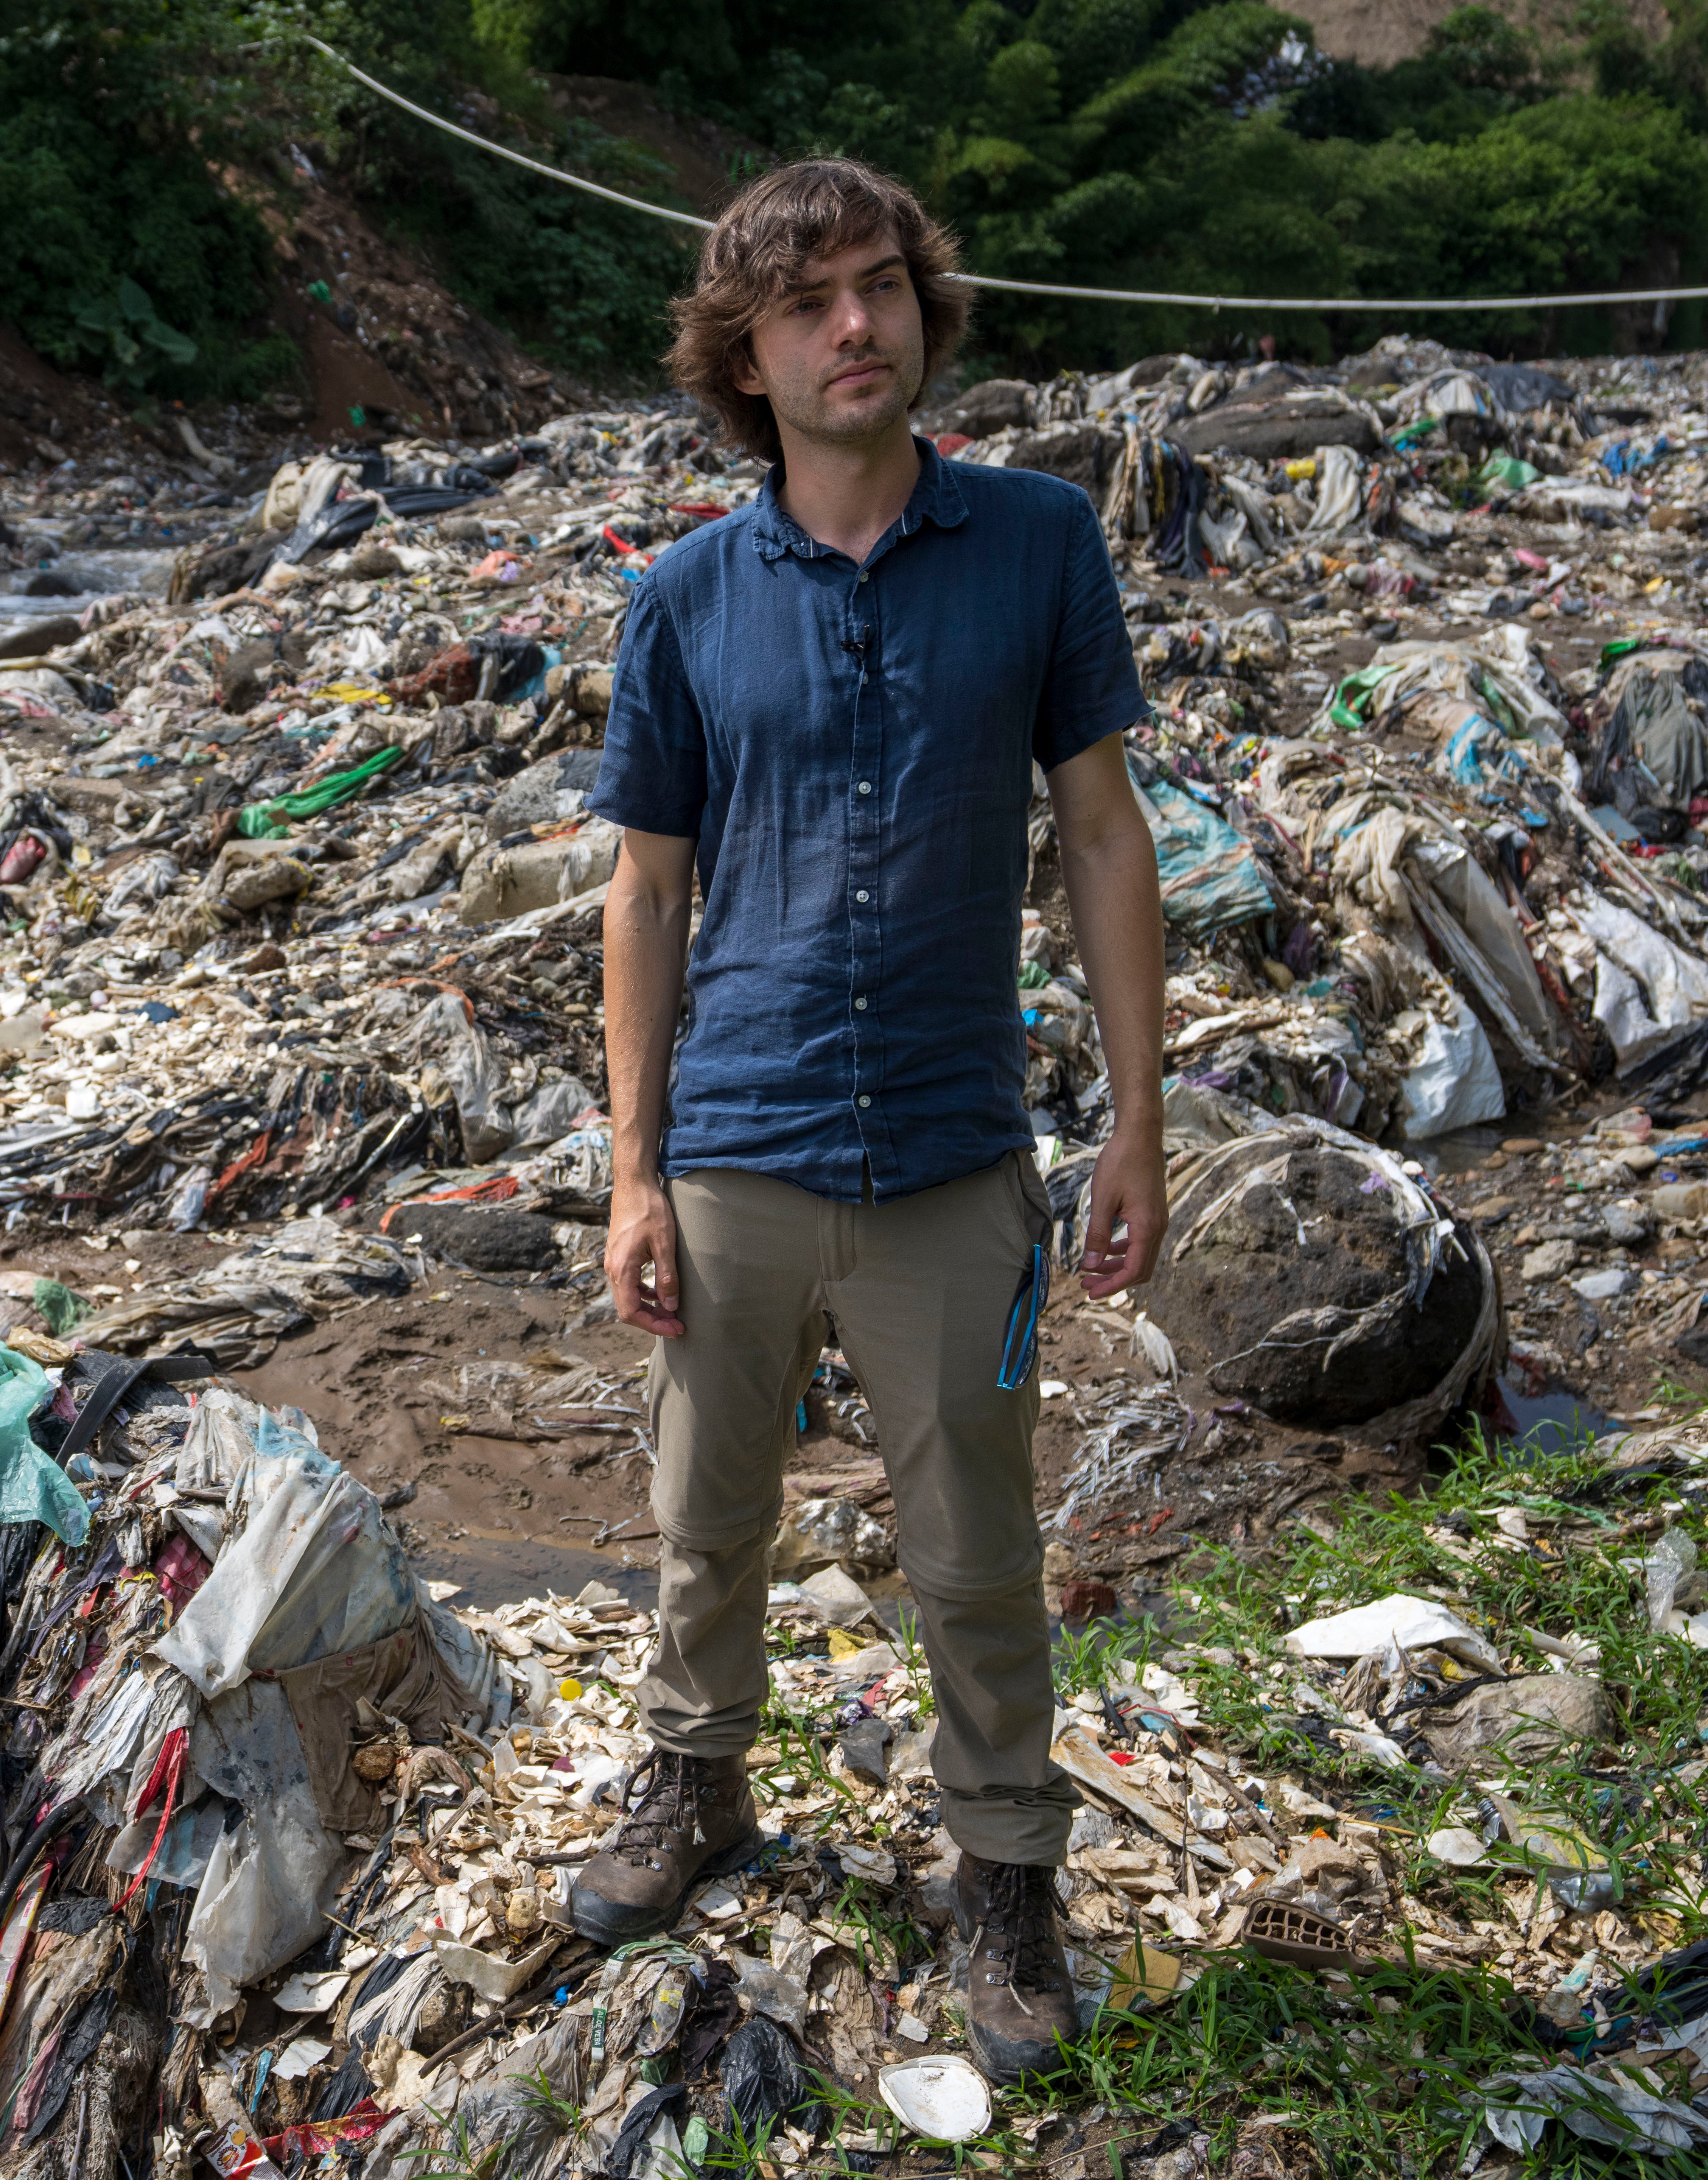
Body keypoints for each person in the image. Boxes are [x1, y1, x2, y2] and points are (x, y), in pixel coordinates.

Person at [564, 157, 1169, 2086]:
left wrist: (1137, 1123)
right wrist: (632, 1174)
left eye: (882, 287)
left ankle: (1005, 1870)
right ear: (743, 359)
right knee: (704, 1516)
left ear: (925, 311)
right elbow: (648, 891)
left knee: (976, 1546)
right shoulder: (684, 598)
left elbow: (1103, 834)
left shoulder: (1037, 544)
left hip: (950, 1141)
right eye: (810, 301)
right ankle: (697, 1783)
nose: (856, 325)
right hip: (736, 1141)